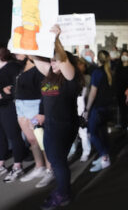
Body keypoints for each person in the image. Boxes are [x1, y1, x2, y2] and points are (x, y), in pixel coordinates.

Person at [32, 25, 83, 209]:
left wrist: (56, 39)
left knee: (57, 161)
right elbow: (35, 57)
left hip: (64, 124)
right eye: (51, 61)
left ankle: (63, 194)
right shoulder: (50, 76)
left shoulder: (71, 77)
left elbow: (62, 60)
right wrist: (30, 37)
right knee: (55, 159)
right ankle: (62, 189)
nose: (52, 63)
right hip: (51, 124)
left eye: (55, 61)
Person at [14, 54, 54, 188]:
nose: (15, 52)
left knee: (42, 141)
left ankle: (50, 169)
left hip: (34, 106)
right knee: (31, 140)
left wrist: (42, 112)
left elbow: (46, 90)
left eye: (18, 50)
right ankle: (39, 166)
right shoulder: (21, 66)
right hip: (20, 105)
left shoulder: (40, 66)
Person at [83, 50, 114, 172]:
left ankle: (105, 157)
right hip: (106, 107)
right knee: (102, 132)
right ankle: (104, 156)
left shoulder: (97, 72)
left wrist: (87, 108)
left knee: (92, 133)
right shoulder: (108, 72)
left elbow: (93, 92)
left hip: (97, 107)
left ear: (97, 58)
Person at [0, 46, 26, 183]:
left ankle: (18, 165)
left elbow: (15, 88)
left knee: (13, 135)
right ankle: (1, 163)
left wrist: (3, 93)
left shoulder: (13, 67)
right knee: (1, 136)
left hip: (9, 106)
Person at [114, 49, 128, 133]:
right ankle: (124, 126)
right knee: (122, 111)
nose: (124, 56)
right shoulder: (118, 67)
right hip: (120, 92)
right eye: (123, 55)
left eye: (126, 55)